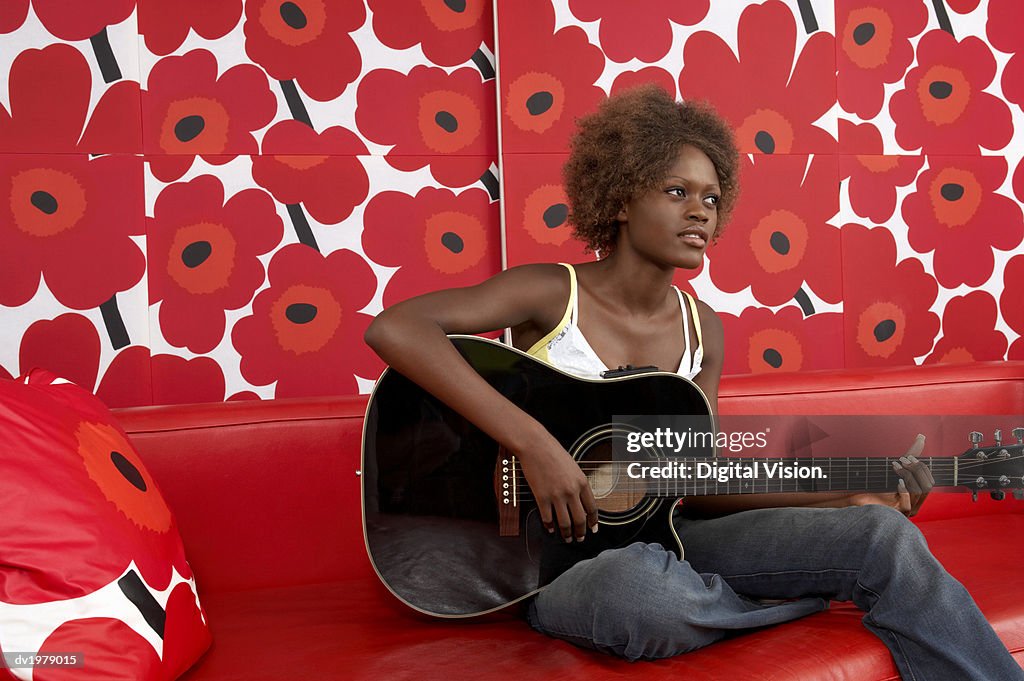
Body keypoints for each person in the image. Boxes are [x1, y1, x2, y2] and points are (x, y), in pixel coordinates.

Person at [364, 84, 1023, 680]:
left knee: (884, 537)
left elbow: (695, 482)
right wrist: (535, 444)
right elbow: (397, 329)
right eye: (676, 192)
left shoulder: (703, 328)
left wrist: (843, 498)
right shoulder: (547, 291)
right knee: (639, 595)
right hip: (558, 566)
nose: (700, 212)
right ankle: (793, 593)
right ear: (622, 199)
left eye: (711, 198)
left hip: (674, 541)